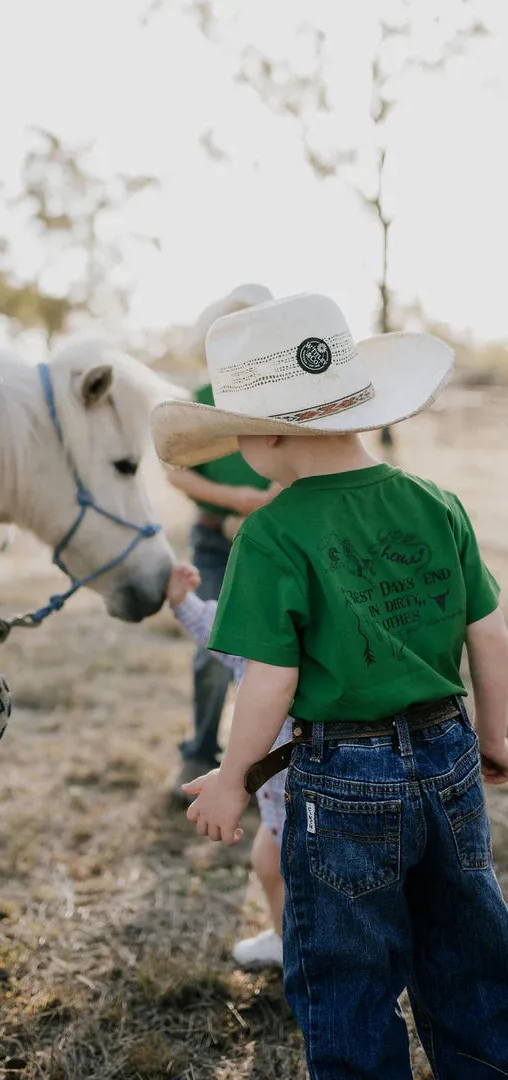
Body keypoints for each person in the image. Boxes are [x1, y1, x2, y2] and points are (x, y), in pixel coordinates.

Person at [153, 290, 508, 1078]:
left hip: (343, 783)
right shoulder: (434, 502)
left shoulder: (273, 533)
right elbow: (489, 632)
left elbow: (269, 684)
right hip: (447, 757)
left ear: (268, 435)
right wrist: (492, 738)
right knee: (468, 956)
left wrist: (234, 779)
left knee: (348, 976)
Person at [167, 284, 281, 798]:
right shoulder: (201, 403)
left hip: (278, 543)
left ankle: (269, 769)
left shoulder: (283, 396)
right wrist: (237, 498)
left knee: (281, 658)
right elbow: (178, 475)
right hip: (217, 542)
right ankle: (198, 753)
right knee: (213, 650)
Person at [167, 562, 289, 968]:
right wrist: (182, 600)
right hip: (279, 804)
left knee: (305, 882)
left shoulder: (287, 640)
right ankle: (287, 938)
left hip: (313, 799)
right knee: (268, 864)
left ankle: (308, 952)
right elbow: (210, 625)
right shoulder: (246, 635)